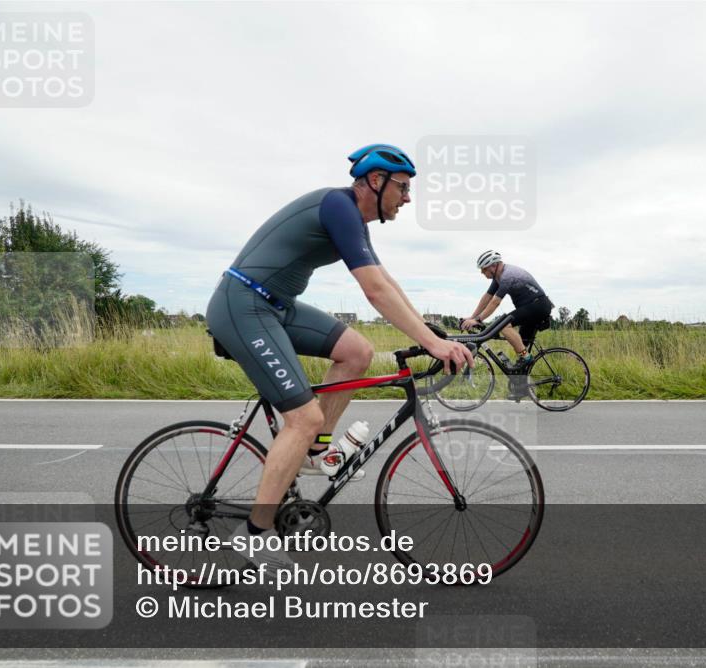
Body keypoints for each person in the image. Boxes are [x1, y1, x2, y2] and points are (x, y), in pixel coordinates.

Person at [206, 144, 474, 567]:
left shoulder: (353, 219)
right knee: (303, 417)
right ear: (375, 181)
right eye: (402, 188)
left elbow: (386, 280)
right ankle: (255, 532)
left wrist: (429, 332)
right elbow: (374, 291)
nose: (408, 198)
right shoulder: (339, 205)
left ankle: (314, 451)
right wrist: (434, 345)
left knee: (357, 352)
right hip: (243, 305)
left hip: (275, 305)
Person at [460, 250, 553, 398]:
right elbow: (487, 297)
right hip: (529, 308)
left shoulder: (508, 275)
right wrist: (472, 317)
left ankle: (526, 357)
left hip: (538, 306)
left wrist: (478, 320)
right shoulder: (498, 277)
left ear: (494, 265)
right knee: (521, 349)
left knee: (503, 325)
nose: (482, 273)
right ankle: (522, 389)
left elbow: (495, 302)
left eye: (484, 269)